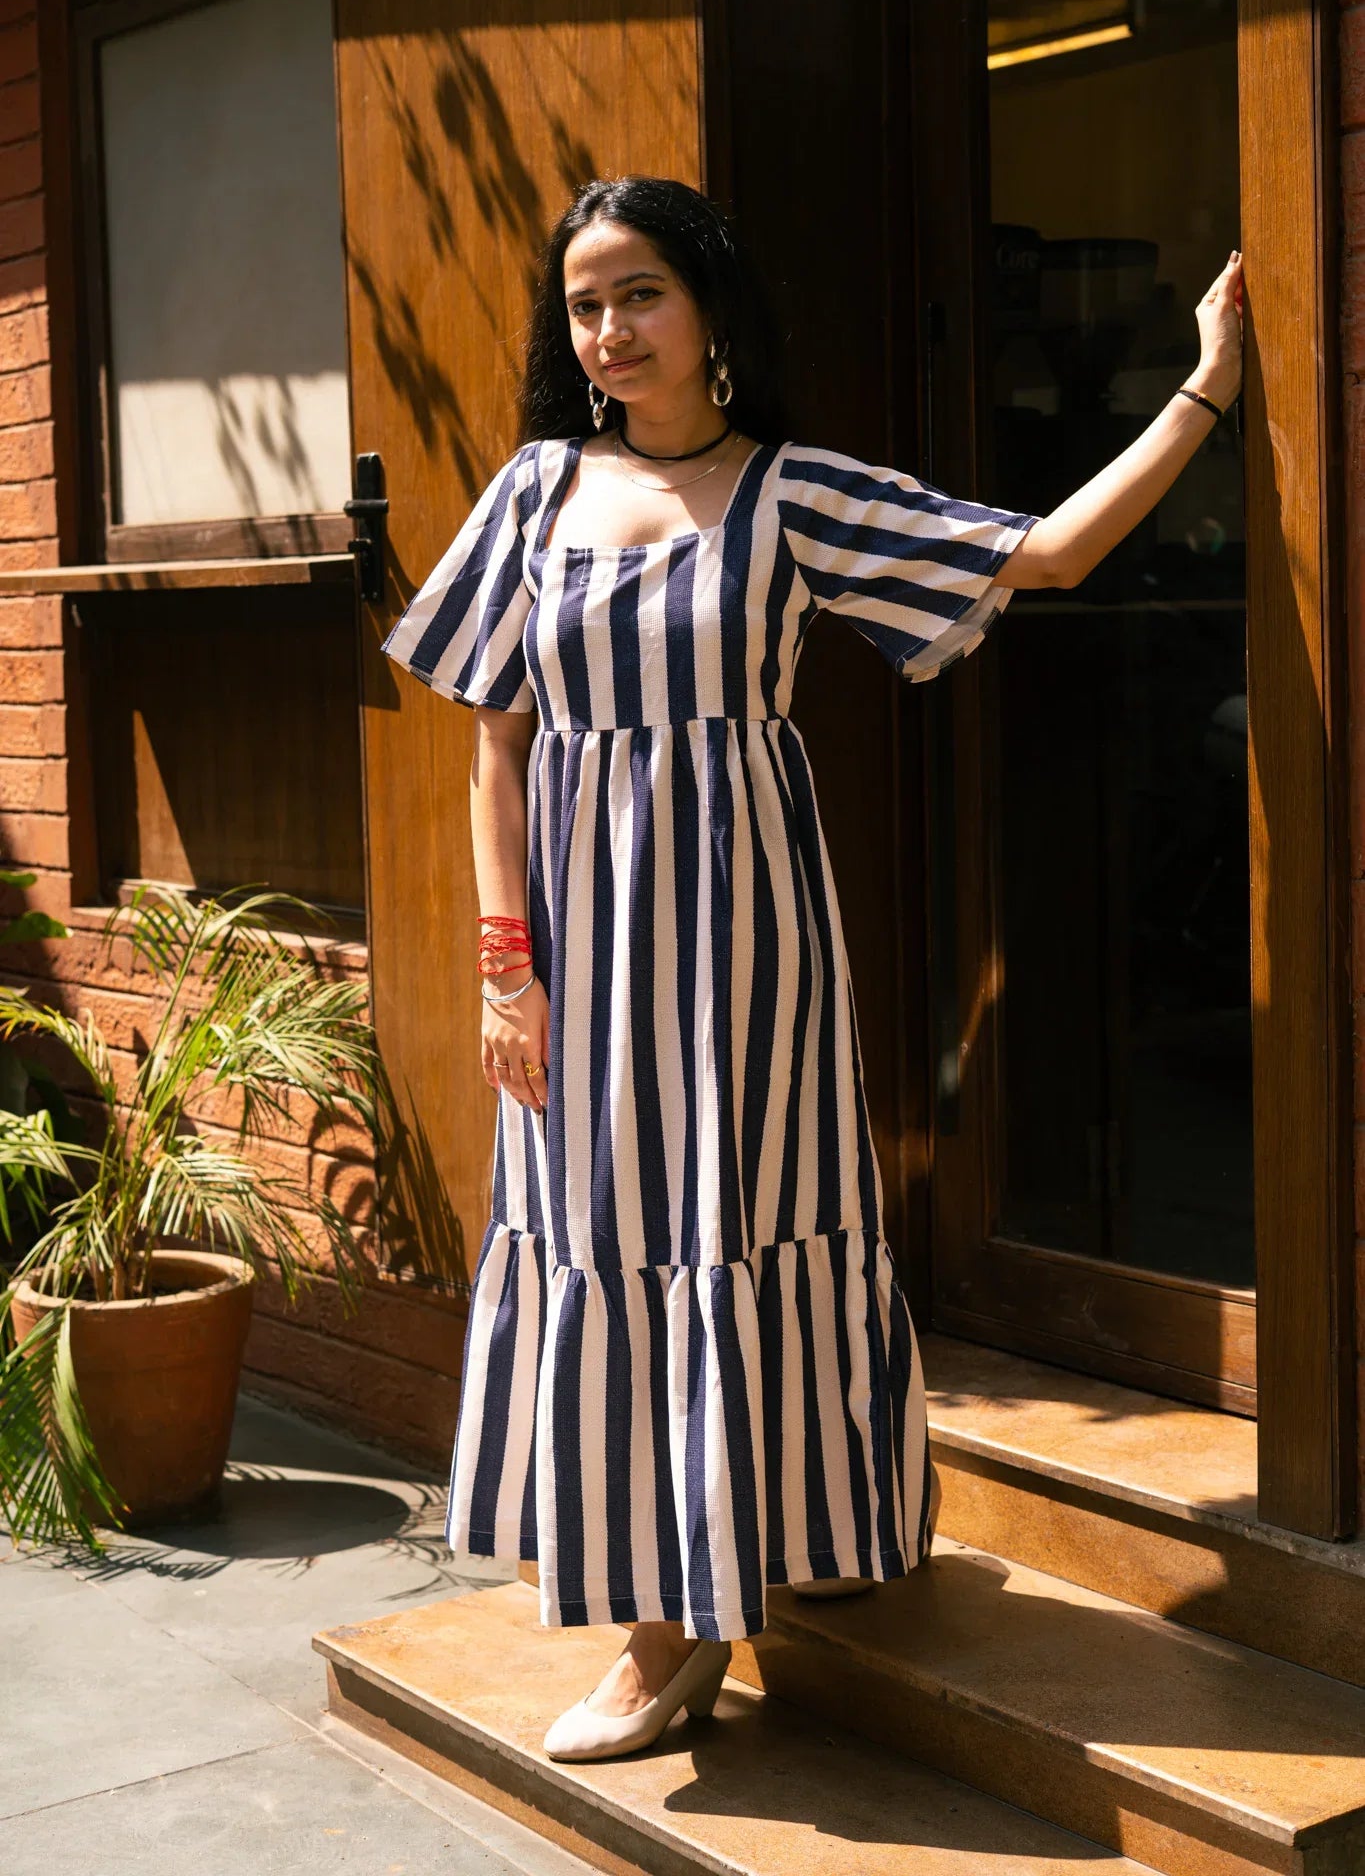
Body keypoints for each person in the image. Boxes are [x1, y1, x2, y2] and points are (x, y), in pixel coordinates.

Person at [382, 177, 1244, 1764]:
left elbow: (1038, 557)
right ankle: (665, 1624)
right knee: (613, 1239)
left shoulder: (787, 493)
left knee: (756, 1220)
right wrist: (508, 967)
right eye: (583, 303)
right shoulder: (535, 492)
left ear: (709, 304)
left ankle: (748, 1585)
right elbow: (493, 750)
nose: (609, 329)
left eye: (638, 291)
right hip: (574, 945)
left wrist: (1199, 389)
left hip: (741, 939)